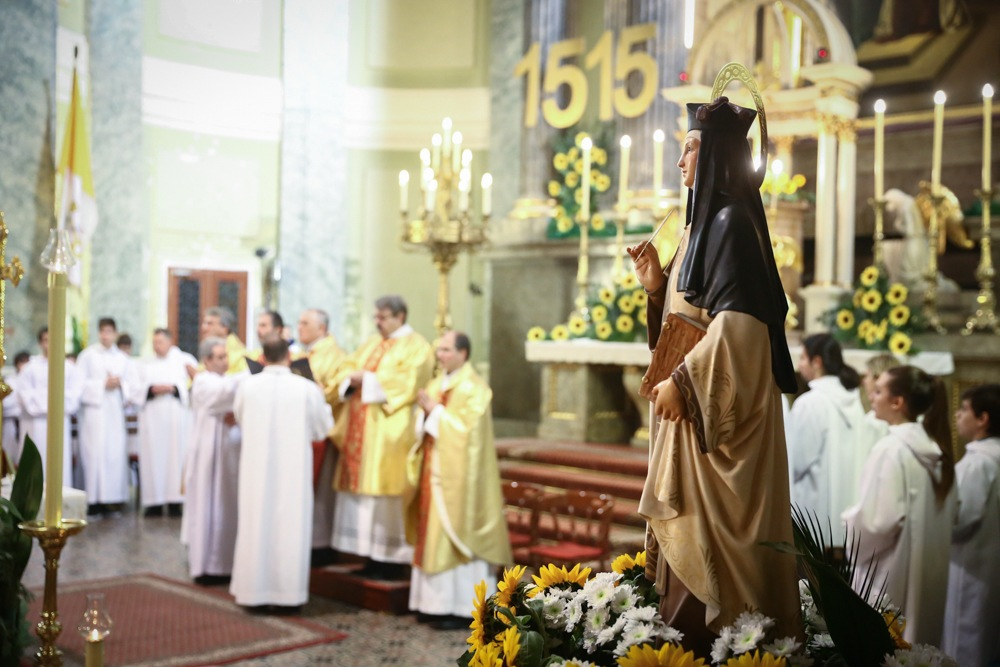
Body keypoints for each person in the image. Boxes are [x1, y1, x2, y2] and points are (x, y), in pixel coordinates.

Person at [627, 96, 800, 651]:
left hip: (715, 424)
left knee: (712, 560)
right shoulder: (697, 228)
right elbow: (691, 315)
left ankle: (722, 649)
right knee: (684, 557)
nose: (680, 162)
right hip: (691, 420)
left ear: (720, 156)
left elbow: (742, 328)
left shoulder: (731, 224)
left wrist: (683, 382)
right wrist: (658, 288)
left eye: (690, 150)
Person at [843, 365, 956, 646]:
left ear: (897, 402)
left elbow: (877, 523)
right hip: (926, 573)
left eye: (879, 391)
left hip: (889, 574)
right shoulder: (935, 450)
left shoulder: (891, 449)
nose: (872, 396)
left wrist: (849, 522)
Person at [405, 331, 511, 629]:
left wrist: (435, 412)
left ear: (463, 353)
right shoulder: (436, 384)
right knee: (432, 535)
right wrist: (424, 415)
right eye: (438, 350)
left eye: (446, 350)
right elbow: (422, 422)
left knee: (454, 536)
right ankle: (431, 604)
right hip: (433, 471)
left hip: (460, 480)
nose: (440, 355)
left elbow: (469, 434)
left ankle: (462, 608)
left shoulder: (475, 388)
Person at [330, 295, 434, 578]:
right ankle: (367, 556)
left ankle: (389, 560)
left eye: (383, 317)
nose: (378, 322)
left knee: (385, 493)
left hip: (390, 432)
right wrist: (350, 378)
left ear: (400, 316)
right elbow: (347, 366)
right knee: (363, 496)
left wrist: (368, 380)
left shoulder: (417, 346)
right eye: (376, 317)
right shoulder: (371, 343)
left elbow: (410, 382)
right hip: (362, 430)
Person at [230, 337, 332, 610]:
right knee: (290, 527)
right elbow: (322, 430)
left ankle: (253, 594)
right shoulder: (306, 389)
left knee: (256, 524)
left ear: (263, 357)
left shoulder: (247, 386)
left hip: (256, 470)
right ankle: (288, 596)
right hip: (292, 471)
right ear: (289, 357)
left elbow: (239, 418)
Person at [786, 334, 868, 543]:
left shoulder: (810, 403)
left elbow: (794, 462)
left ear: (817, 362)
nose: (800, 365)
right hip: (848, 511)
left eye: (803, 358)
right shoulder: (854, 401)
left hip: (815, 512)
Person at [942, 384, 1000, 665]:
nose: (957, 415)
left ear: (983, 419)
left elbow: (961, 520)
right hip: (989, 564)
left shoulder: (978, 463)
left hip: (969, 566)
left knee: (963, 640)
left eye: (964, 409)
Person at [181, 337, 244, 585]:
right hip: (206, 455)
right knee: (207, 505)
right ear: (206, 361)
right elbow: (223, 394)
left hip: (227, 454)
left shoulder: (227, 380)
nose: (225, 361)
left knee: (225, 505)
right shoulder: (202, 382)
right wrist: (253, 374)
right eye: (219, 357)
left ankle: (226, 563)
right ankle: (206, 565)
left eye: (226, 356)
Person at [295, 308, 346, 556]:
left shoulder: (336, 356)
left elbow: (337, 390)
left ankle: (320, 544)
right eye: (299, 322)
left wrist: (317, 390)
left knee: (321, 491)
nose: (299, 327)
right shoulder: (302, 354)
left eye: (305, 323)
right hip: (299, 430)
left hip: (323, 432)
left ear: (322, 328)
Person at [77, 318, 140, 517]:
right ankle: (93, 502)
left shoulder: (122, 358)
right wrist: (102, 384)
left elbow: (133, 387)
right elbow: (77, 385)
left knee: (113, 454)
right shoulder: (87, 356)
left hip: (114, 415)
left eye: (109, 331)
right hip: (94, 415)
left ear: (115, 333)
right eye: (103, 331)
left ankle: (112, 502)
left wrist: (121, 385)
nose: (106, 335)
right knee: (94, 454)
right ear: (98, 333)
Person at [135, 328, 196, 518]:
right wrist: (150, 389)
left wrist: (175, 388)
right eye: (154, 342)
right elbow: (134, 388)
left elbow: (195, 385)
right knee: (153, 457)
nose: (157, 346)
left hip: (176, 417)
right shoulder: (144, 363)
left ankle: (175, 501)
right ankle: (154, 502)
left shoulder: (185, 360)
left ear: (170, 341)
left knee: (176, 457)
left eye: (160, 342)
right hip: (152, 418)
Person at [16, 328, 83, 481]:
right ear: (40, 343)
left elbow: (73, 398)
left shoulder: (70, 368)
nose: (50, 344)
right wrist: (54, 400)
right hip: (35, 425)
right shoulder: (29, 368)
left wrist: (43, 398)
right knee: (36, 463)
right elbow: (25, 397)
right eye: (46, 340)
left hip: (60, 422)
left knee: (59, 464)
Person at [2, 351, 31, 466]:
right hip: (11, 423)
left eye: (27, 362)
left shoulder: (31, 382)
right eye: (22, 362)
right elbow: (7, 404)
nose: (25, 366)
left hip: (27, 421)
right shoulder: (10, 382)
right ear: (17, 364)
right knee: (10, 455)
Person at [200, 306, 247, 375]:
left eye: (210, 324)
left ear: (224, 328)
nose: (204, 328)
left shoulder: (240, 355)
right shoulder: (209, 349)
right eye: (204, 323)